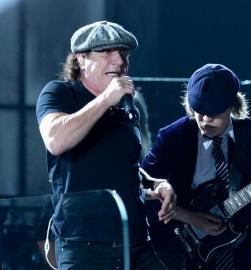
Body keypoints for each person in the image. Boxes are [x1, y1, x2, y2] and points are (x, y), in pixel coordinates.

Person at [141, 63, 251, 269]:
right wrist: (193, 218)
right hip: (179, 252)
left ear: (232, 106)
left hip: (239, 254)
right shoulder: (173, 136)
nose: (205, 119)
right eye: (199, 111)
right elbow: (142, 187)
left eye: (214, 113)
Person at [36, 21, 176, 270]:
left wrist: (155, 184)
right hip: (84, 245)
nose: (119, 61)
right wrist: (105, 99)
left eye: (123, 53)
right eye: (107, 52)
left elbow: (123, 165)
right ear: (81, 59)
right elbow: (55, 140)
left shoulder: (125, 107)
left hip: (134, 242)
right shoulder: (59, 93)